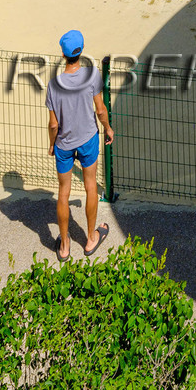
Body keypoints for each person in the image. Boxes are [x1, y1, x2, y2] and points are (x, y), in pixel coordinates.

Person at [46, 29, 112, 260]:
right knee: (90, 186)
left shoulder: (54, 85)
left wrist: (52, 144)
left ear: (63, 55)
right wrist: (108, 128)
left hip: (64, 144)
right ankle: (90, 239)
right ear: (81, 51)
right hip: (88, 140)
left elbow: (54, 124)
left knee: (63, 193)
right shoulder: (92, 76)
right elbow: (101, 110)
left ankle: (64, 246)